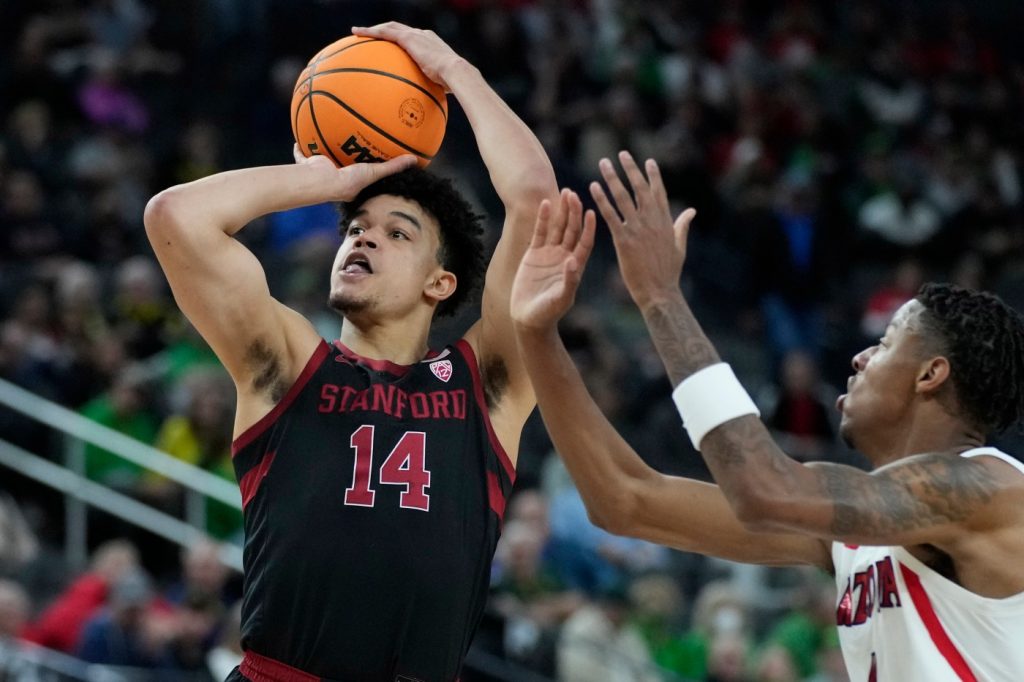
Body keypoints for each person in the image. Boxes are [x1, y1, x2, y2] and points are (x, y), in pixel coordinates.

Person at [509, 152, 1024, 681]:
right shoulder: (857, 530)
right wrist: (536, 336)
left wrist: (662, 297)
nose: (860, 357)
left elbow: (764, 488)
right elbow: (625, 499)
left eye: (886, 344)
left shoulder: (987, 487)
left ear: (930, 374)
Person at [144, 20, 556, 682]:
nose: (363, 239)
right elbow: (174, 219)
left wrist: (455, 70)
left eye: (398, 233)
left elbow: (535, 203)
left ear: (440, 281)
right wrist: (327, 180)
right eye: (357, 228)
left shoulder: (486, 386)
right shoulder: (289, 366)